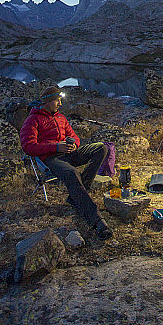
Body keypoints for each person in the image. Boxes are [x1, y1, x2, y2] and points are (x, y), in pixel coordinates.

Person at [20, 86, 113, 239]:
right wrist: (56, 147)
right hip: (51, 158)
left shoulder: (60, 118)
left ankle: (78, 195)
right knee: (72, 173)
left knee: (101, 148)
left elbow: (74, 136)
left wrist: (74, 144)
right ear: (47, 102)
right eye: (57, 101)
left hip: (69, 153)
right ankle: (97, 221)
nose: (60, 104)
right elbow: (28, 146)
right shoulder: (33, 120)